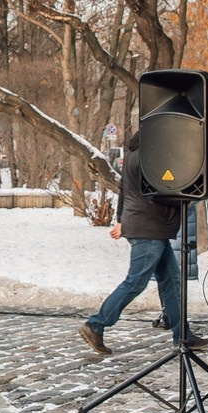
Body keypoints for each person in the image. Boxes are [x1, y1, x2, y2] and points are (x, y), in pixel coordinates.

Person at [80, 124, 199, 355]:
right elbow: (159, 193)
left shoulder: (136, 153)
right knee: (135, 281)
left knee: (172, 281)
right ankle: (96, 324)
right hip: (148, 226)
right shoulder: (152, 157)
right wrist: (186, 200)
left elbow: (124, 188)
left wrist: (120, 220)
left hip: (147, 225)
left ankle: (183, 336)